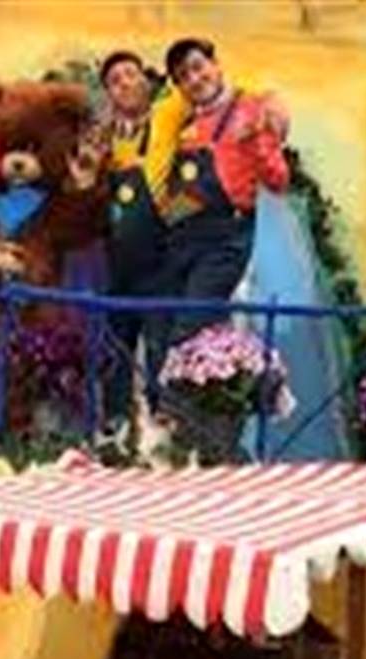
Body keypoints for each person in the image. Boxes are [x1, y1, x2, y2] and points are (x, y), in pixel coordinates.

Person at [160, 37, 291, 343]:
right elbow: (193, 192)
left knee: (188, 333)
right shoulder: (187, 126)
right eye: (183, 77)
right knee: (170, 328)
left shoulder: (254, 109)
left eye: (198, 67)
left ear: (216, 65)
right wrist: (167, 219)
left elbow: (279, 181)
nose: (194, 79)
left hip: (227, 241)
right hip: (187, 242)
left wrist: (257, 139)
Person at [97, 50, 190, 429]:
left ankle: (165, 435)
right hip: (116, 266)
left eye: (130, 74)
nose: (124, 84)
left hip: (161, 263)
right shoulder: (103, 140)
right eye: (115, 81)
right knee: (116, 351)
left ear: (147, 80)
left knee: (160, 350)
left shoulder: (168, 118)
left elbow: (199, 85)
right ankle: (115, 431)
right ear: (109, 95)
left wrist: (175, 215)